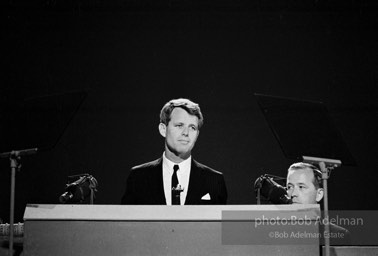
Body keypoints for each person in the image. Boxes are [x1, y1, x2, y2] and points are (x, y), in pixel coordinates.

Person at [121, 98, 227, 205]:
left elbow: (224, 221)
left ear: (197, 135)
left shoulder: (214, 181)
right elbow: (125, 220)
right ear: (163, 129)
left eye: (192, 127)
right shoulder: (139, 177)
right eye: (179, 125)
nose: (186, 132)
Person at [286, 162, 351, 246]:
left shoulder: (337, 235)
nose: (293, 193)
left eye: (301, 187)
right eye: (289, 187)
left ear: (319, 194)